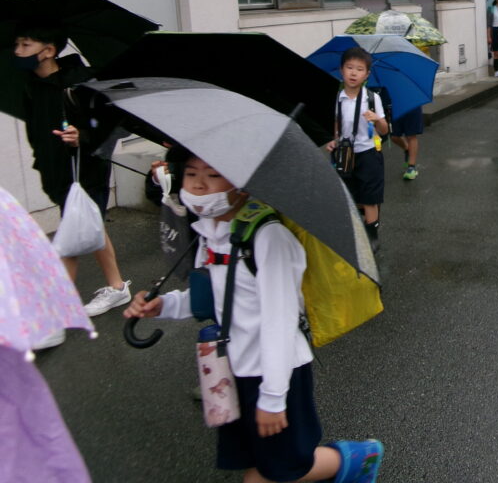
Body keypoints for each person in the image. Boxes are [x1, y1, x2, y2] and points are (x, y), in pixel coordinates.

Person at [124, 152, 384, 483]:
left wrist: (273, 397)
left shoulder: (269, 238)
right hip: (234, 369)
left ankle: (358, 458)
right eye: (190, 174)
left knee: (281, 469)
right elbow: (211, 297)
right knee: (261, 462)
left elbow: (280, 321)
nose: (199, 185)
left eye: (213, 175)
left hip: (276, 371)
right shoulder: (209, 232)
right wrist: (164, 305)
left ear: (243, 185)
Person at [12, 21, 131, 342]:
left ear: (48, 51)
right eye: (17, 45)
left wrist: (83, 136)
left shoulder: (81, 84)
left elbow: (111, 127)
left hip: (86, 172)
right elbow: (35, 131)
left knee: (69, 242)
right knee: (90, 226)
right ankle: (117, 287)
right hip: (56, 173)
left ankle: (55, 321)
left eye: (25, 45)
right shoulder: (30, 86)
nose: (18, 51)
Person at [325, 47, 388, 246]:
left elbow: (384, 130)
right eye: (349, 67)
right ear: (341, 70)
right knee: (348, 195)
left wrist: (377, 119)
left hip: (368, 153)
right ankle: (353, 233)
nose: (353, 73)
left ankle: (372, 236)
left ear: (367, 74)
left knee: (370, 196)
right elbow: (336, 128)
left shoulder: (372, 98)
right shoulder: (336, 98)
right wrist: (333, 141)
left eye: (359, 69)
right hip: (345, 154)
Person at [390, 105, 423, 181]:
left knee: (411, 135)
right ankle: (407, 148)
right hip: (396, 108)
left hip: (412, 106)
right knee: (394, 137)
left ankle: (411, 167)